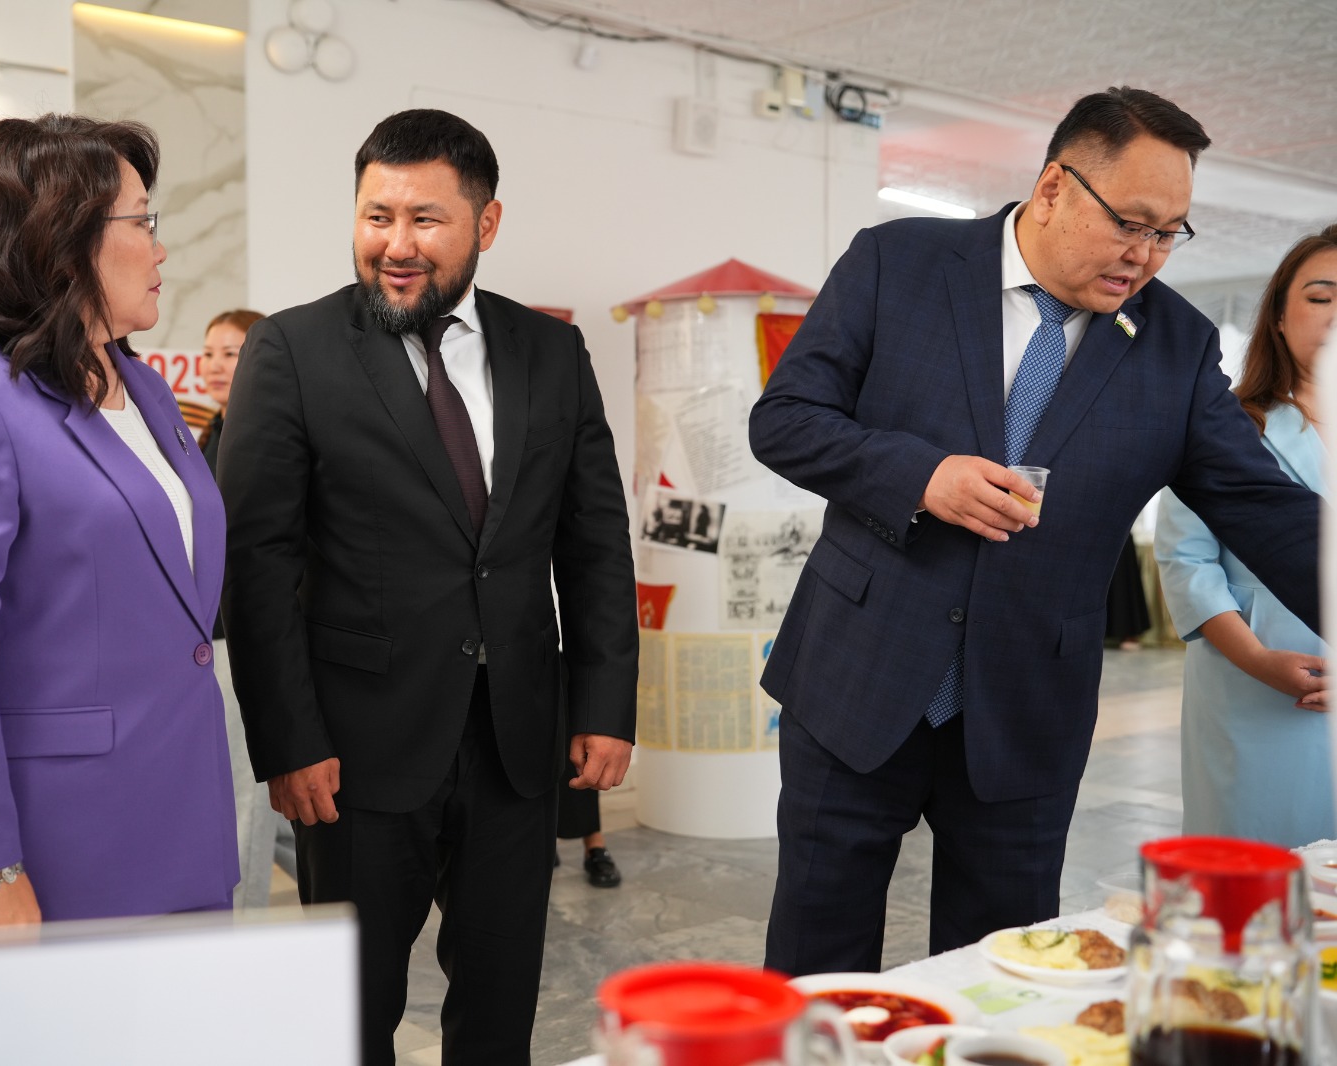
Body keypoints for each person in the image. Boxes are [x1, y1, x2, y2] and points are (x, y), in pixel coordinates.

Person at [749, 86, 1321, 976]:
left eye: (1170, 233)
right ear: (1054, 187)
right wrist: (920, 476)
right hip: (857, 674)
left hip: (1026, 707)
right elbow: (785, 420)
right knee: (818, 954)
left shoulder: (1174, 343)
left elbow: (1266, 507)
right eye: (1130, 223)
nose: (1145, 255)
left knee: (1005, 967)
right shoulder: (899, 263)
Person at [217, 108, 637, 1065]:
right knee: (351, 1013)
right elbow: (257, 561)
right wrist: (288, 739)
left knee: (499, 1005)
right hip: (356, 753)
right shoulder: (293, 350)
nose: (395, 245)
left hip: (516, 742)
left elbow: (594, 542)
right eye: (377, 216)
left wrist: (605, 704)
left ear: (486, 224)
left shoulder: (550, 353)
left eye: (425, 219)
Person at [0, 114, 237, 931]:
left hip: (178, 820)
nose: (161, 249)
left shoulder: (145, 387)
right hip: (47, 849)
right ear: (61, 241)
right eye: (142, 221)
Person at [1155, 224, 1337, 848]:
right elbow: (1186, 562)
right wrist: (1259, 660)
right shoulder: (1234, 425)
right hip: (1255, 688)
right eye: (1321, 297)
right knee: (1255, 874)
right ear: (1279, 318)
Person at [196, 307, 300, 903]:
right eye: (209, 353)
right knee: (276, 818)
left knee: (244, 807)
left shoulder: (267, 437)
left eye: (230, 354)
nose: (214, 365)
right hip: (207, 639)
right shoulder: (207, 432)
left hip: (242, 641)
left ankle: (241, 934)